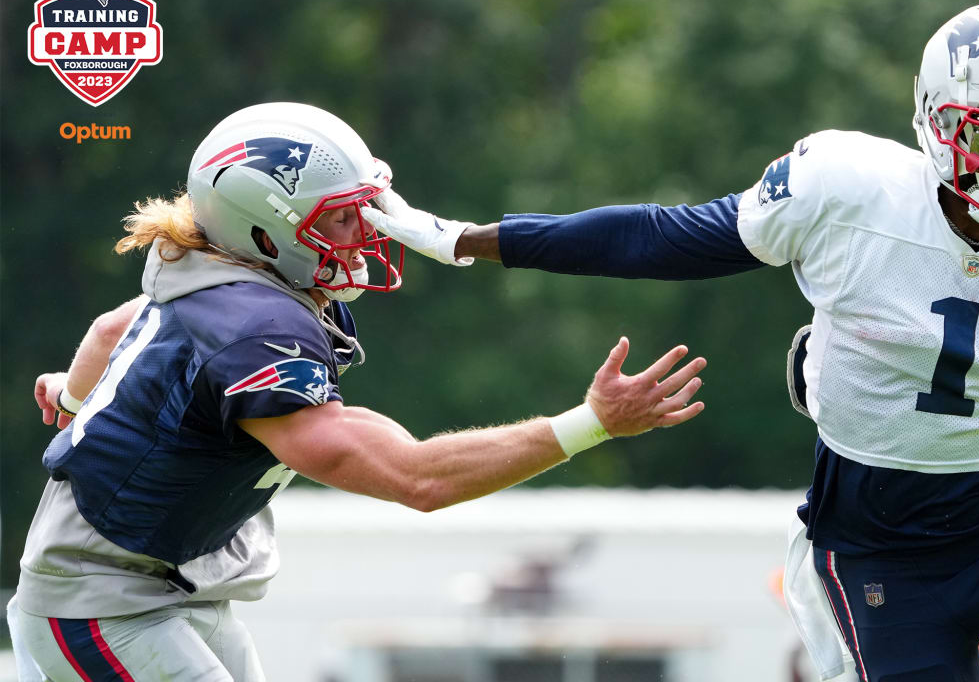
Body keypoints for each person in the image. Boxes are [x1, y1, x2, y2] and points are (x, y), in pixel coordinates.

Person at [362, 1, 979, 681]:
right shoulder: (847, 189)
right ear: (942, 124)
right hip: (873, 551)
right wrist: (477, 238)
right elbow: (664, 237)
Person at [6, 102, 707, 681]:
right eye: (342, 216)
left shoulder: (217, 272)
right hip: (98, 598)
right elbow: (417, 479)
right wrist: (594, 423)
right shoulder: (254, 327)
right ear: (263, 226)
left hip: (166, 583)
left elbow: (111, 329)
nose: (365, 231)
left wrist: (74, 401)